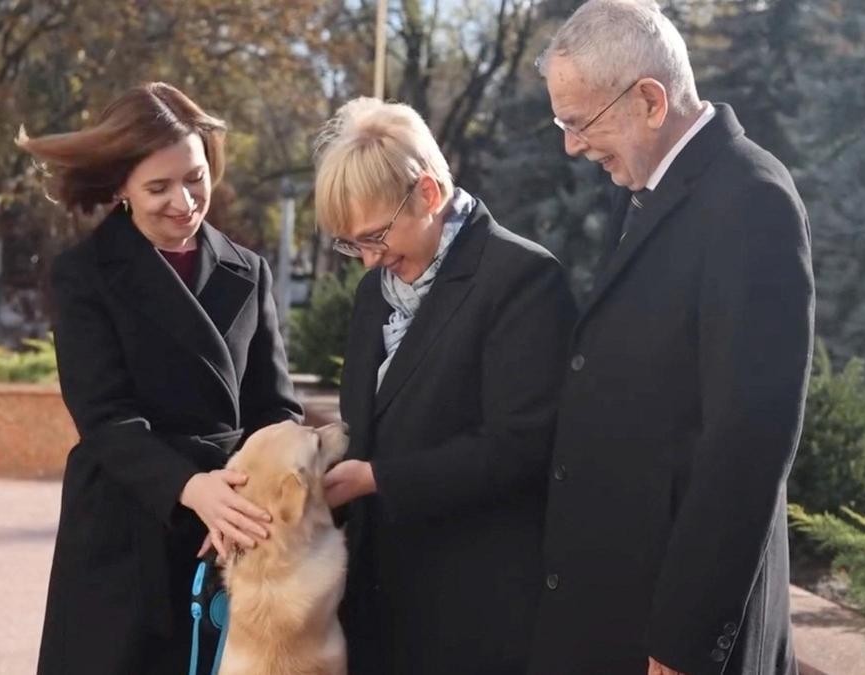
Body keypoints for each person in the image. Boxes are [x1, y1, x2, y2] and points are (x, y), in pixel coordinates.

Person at [529, 2, 814, 674]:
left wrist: (686, 639)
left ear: (651, 101)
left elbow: (748, 441)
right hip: (615, 601)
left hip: (671, 635)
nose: (571, 145)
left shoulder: (752, 201)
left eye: (580, 122)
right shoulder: (644, 183)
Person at [18, 82, 303, 674]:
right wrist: (193, 489)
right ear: (120, 186)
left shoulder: (249, 271)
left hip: (229, 535)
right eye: (158, 187)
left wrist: (247, 496)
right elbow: (104, 416)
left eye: (195, 177)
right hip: (126, 532)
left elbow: (276, 410)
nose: (184, 201)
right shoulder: (84, 275)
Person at [314, 97, 576, 674]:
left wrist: (379, 478)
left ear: (428, 194)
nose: (367, 260)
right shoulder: (373, 293)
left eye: (375, 236)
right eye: (352, 244)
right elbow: (368, 427)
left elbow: (521, 446)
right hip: (377, 611)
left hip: (470, 616)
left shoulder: (522, 279)